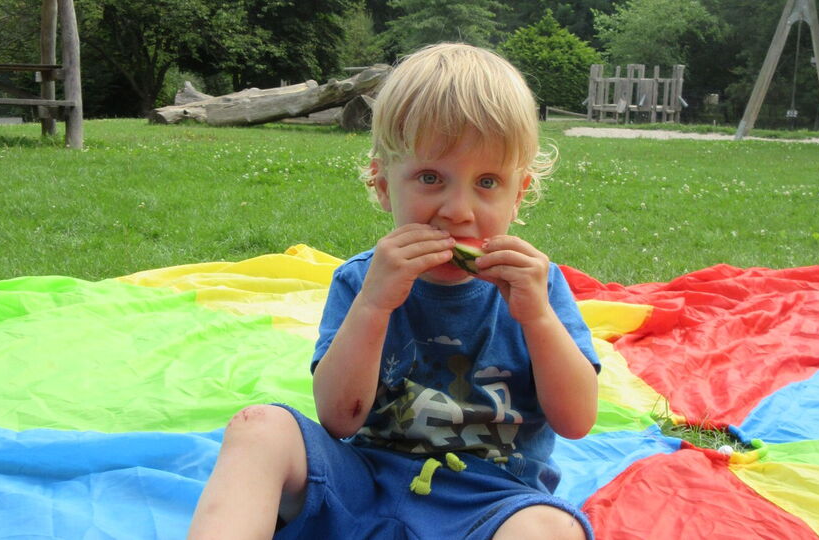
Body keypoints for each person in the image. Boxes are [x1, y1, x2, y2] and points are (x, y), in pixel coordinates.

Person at [188, 42, 600, 540]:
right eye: (430, 177)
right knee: (259, 427)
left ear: (519, 195)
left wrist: (538, 319)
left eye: (488, 182)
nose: (457, 211)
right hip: (363, 485)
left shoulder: (538, 287)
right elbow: (339, 420)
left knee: (553, 528)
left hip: (491, 502)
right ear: (383, 186)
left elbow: (576, 421)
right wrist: (374, 304)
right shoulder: (362, 281)